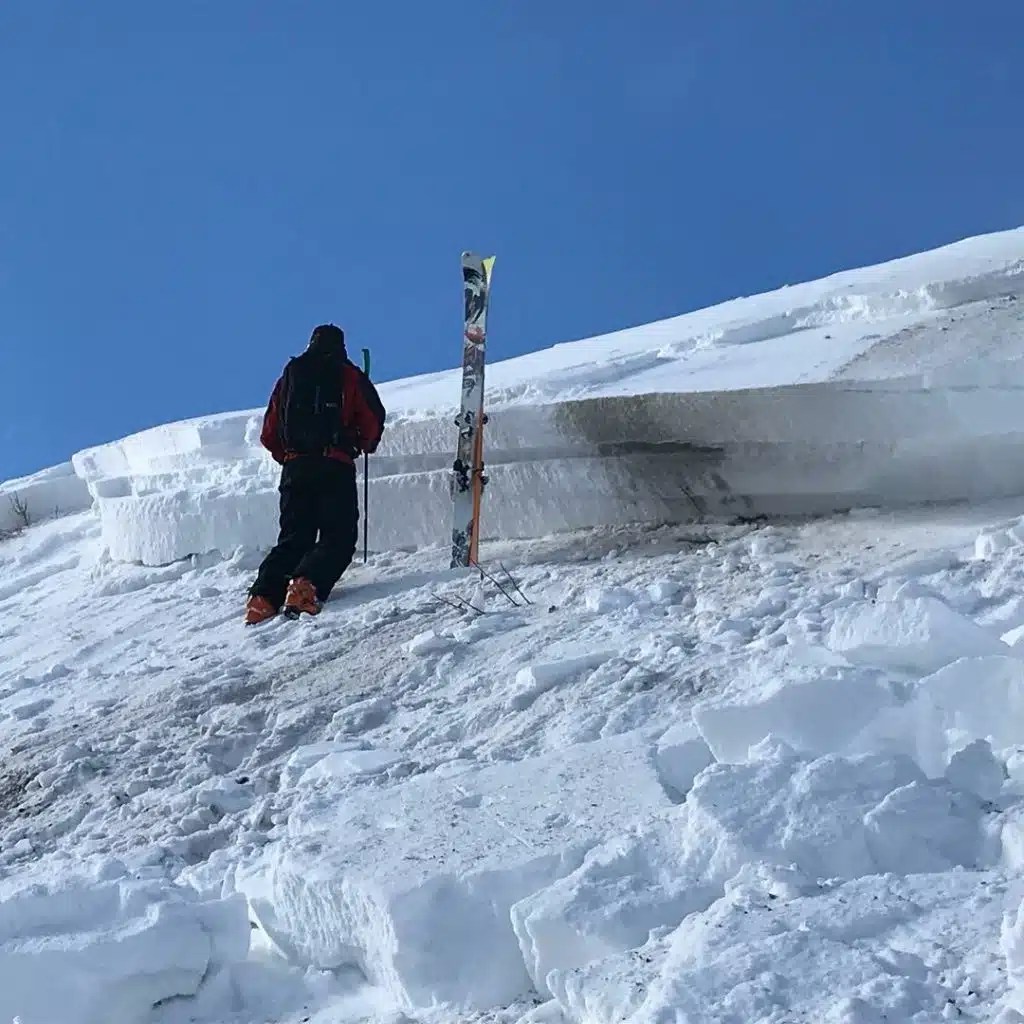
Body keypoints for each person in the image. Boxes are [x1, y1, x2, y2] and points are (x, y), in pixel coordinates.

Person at [245, 324, 386, 625]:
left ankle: (262, 599)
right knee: (339, 535)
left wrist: (289, 457)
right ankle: (306, 586)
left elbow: (270, 431)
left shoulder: (290, 376)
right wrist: (362, 444)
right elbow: (373, 418)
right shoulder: (348, 374)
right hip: (334, 464)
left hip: (295, 467)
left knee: (295, 537)